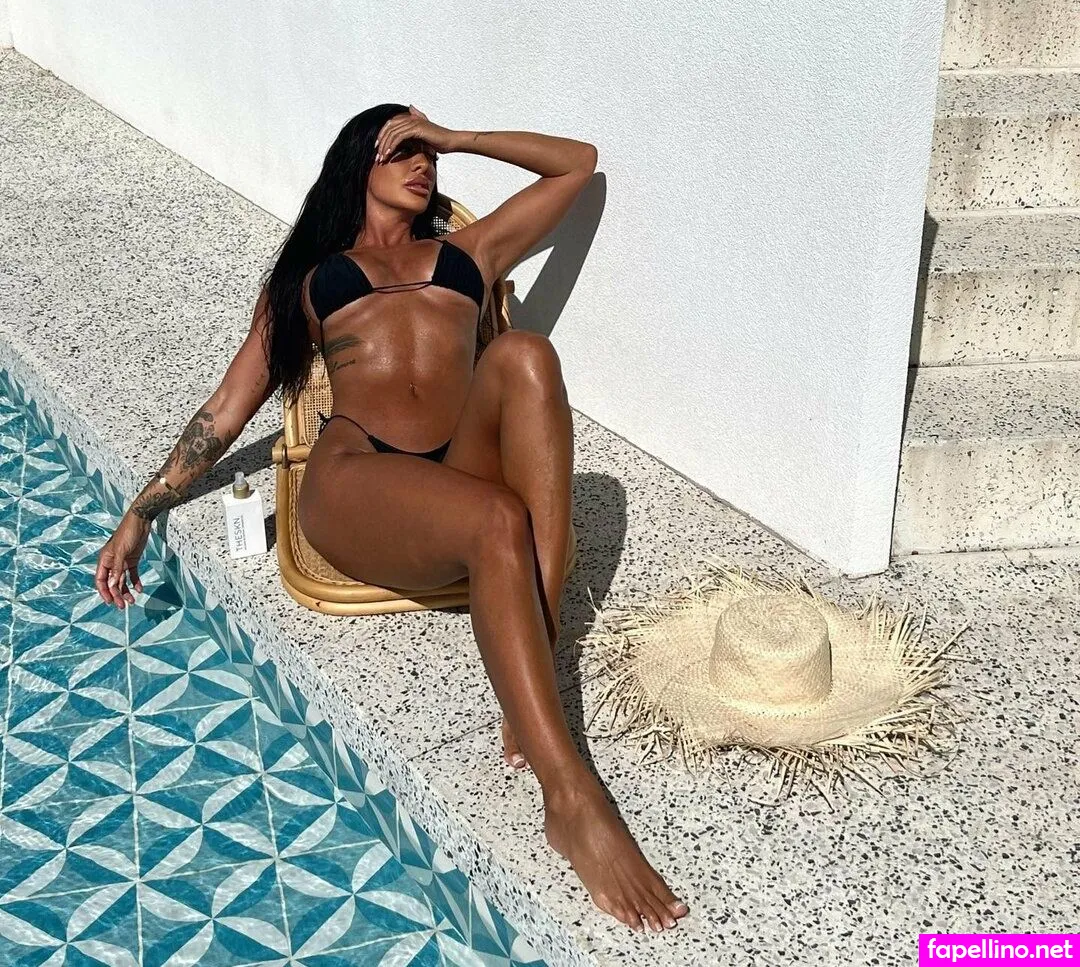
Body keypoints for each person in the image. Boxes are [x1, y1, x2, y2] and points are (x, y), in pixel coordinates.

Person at [94, 104, 689, 933]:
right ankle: (569, 795)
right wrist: (143, 508)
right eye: (404, 150)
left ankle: (534, 680)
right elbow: (226, 409)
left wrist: (456, 137)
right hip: (357, 476)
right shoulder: (309, 281)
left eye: (428, 155)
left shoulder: (468, 251)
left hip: (455, 467)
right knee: (495, 520)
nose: (423, 165)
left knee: (527, 353)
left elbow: (577, 164)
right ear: (358, 163)